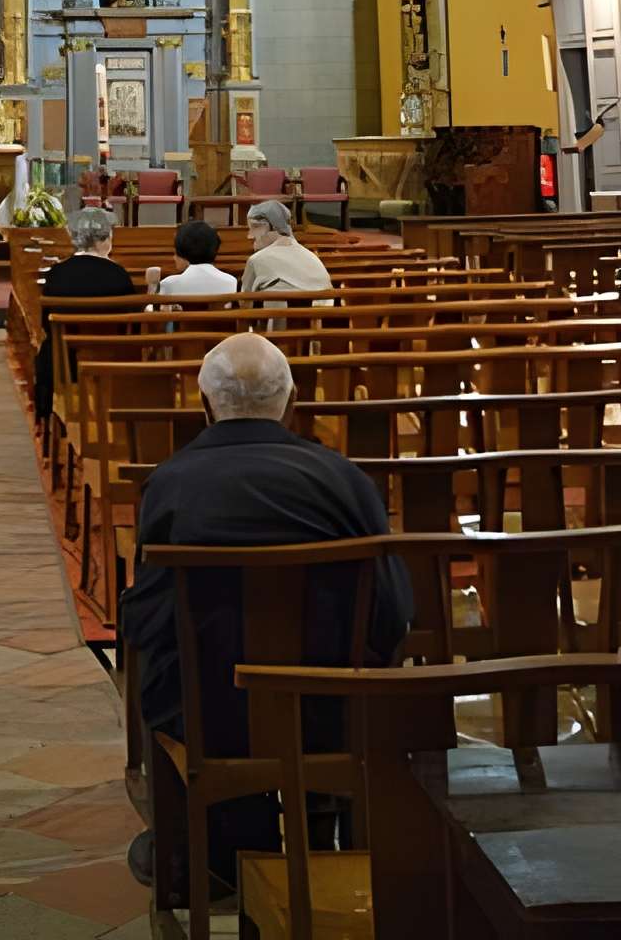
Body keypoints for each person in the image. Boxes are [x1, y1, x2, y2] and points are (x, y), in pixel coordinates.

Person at [122, 334, 411, 895]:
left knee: (167, 666)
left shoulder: (173, 483)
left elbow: (147, 621)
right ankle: (329, 838)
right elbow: (393, 606)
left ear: (204, 407)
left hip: (211, 717)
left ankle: (200, 855)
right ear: (293, 402)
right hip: (329, 706)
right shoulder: (344, 479)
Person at [33, 205, 134, 421]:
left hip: (65, 362)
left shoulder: (57, 274)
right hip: (114, 361)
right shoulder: (119, 275)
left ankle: (52, 415)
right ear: (104, 239)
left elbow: (46, 323)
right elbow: (130, 324)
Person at [240, 197, 332, 294]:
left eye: (254, 227)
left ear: (271, 227)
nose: (249, 236)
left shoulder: (256, 260)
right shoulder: (314, 258)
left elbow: (244, 302)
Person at [147, 218, 240, 299]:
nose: (174, 258)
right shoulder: (231, 281)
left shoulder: (169, 284)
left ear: (183, 251)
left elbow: (153, 314)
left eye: (175, 252)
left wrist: (152, 285)